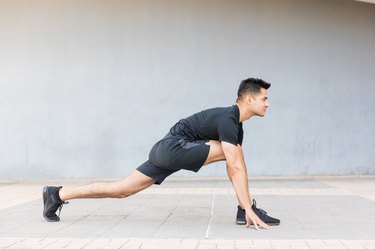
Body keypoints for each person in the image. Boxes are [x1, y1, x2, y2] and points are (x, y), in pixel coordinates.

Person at [43, 78, 280, 230]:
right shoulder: (228, 120)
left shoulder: (234, 125)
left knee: (121, 189)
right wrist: (248, 206)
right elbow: (235, 166)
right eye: (265, 98)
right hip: (173, 148)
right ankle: (244, 209)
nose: (268, 104)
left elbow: (234, 167)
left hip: (167, 149)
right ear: (249, 99)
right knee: (235, 155)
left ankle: (57, 194)